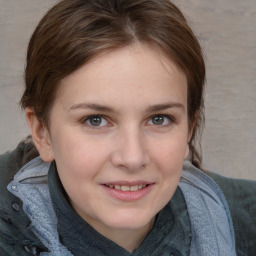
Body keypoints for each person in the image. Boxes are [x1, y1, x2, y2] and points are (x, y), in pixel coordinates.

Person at [0, 0, 255, 255]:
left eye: (159, 119)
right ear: (42, 133)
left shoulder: (246, 221)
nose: (133, 158)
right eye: (95, 120)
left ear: (189, 129)